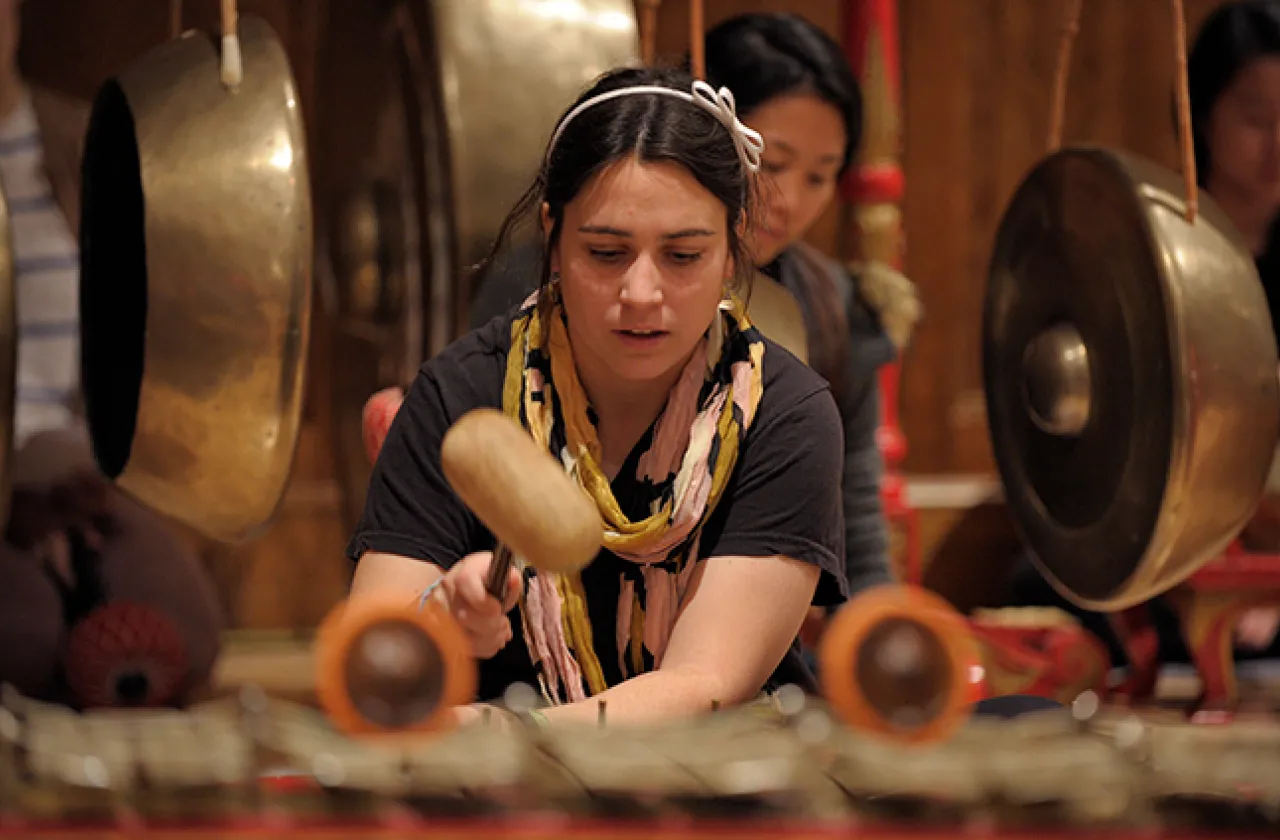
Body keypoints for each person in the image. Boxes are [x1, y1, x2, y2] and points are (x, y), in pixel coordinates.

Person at [347, 65, 848, 725]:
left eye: (684, 256)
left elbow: (704, 684)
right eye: (607, 253)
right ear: (553, 237)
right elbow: (370, 666)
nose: (641, 293)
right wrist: (437, 617)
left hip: (719, 788)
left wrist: (495, 733)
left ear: (733, 247)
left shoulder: (782, 414)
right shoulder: (461, 393)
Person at [470, 12, 920, 603]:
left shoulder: (836, 311)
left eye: (821, 176)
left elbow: (854, 521)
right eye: (775, 164)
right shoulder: (547, 287)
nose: (790, 200)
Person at [1009, 0, 1280, 663]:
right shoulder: (1144, 260)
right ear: (1200, 114)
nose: (1279, 140)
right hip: (1151, 534)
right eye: (1257, 117)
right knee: (1055, 610)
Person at [0, 0, 224, 706]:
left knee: (176, 636)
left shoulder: (78, 139)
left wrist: (75, 490)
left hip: (71, 468)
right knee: (24, 646)